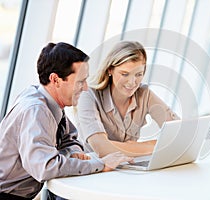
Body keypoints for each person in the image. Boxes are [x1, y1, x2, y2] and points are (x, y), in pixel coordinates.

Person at [0, 42, 133, 200]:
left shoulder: (49, 103)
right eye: (80, 81)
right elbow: (46, 167)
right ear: (55, 80)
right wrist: (101, 165)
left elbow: (71, 140)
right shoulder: (36, 110)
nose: (85, 88)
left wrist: (73, 153)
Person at [76, 41, 179, 158]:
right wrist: (152, 145)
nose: (132, 82)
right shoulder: (88, 95)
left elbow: (177, 132)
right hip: (92, 169)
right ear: (110, 69)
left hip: (127, 167)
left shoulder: (144, 94)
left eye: (138, 74)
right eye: (125, 74)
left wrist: (135, 147)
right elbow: (101, 148)